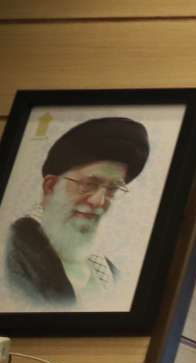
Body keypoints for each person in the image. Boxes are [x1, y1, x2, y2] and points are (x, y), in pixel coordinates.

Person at [4, 116, 150, 309]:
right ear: (51, 186)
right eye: (89, 184)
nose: (98, 201)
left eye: (112, 189)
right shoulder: (11, 249)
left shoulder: (108, 274)